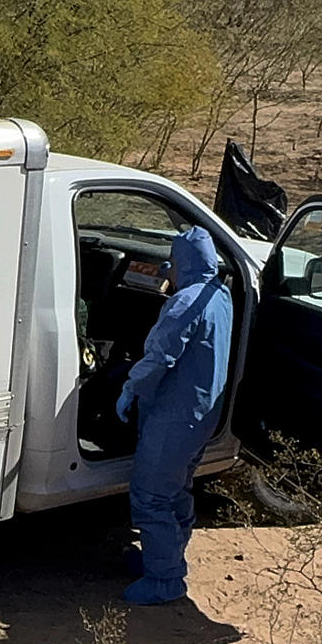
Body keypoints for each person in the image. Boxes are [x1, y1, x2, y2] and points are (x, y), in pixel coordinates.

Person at [113, 226, 234, 605]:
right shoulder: (220, 295)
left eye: (173, 260)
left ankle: (165, 578)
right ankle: (164, 556)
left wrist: (130, 387)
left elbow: (160, 356)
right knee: (177, 489)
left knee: (151, 496)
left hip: (174, 415)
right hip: (202, 413)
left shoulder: (184, 304)